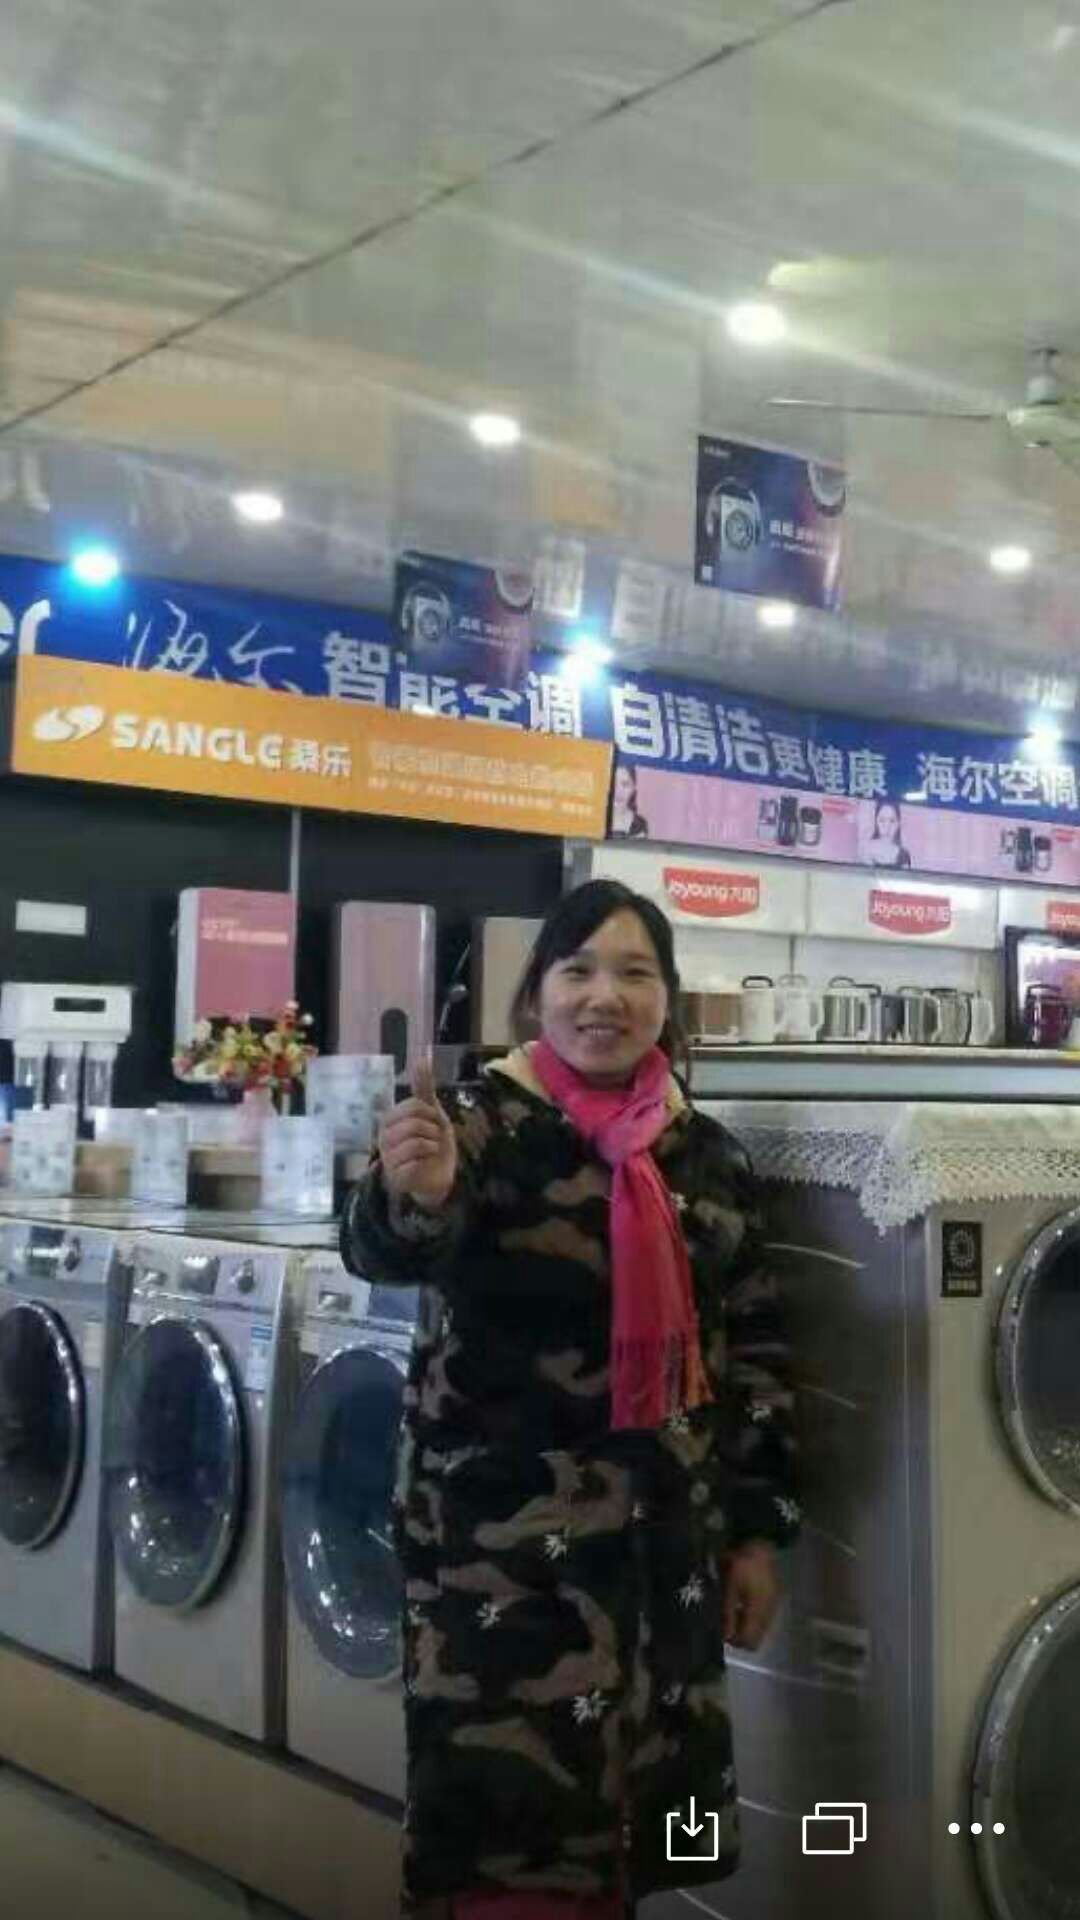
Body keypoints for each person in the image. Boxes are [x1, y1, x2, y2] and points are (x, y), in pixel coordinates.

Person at [340, 879, 799, 1920]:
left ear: (667, 999)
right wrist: (413, 1196)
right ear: (536, 992)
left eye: (635, 973)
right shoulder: (481, 1128)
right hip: (502, 1558)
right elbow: (384, 1248)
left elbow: (754, 1349)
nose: (606, 997)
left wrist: (755, 1536)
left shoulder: (704, 1155)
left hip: (661, 1552)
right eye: (579, 970)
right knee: (505, 1847)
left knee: (634, 1833)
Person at [867, 798, 912, 869]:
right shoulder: (868, 849)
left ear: (898, 823)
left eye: (892, 821)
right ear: (876, 821)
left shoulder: (904, 854)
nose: (887, 826)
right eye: (882, 820)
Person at [609, 764, 649, 839]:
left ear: (633, 788)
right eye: (613, 784)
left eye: (625, 785)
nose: (618, 791)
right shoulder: (594, 819)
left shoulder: (640, 824)